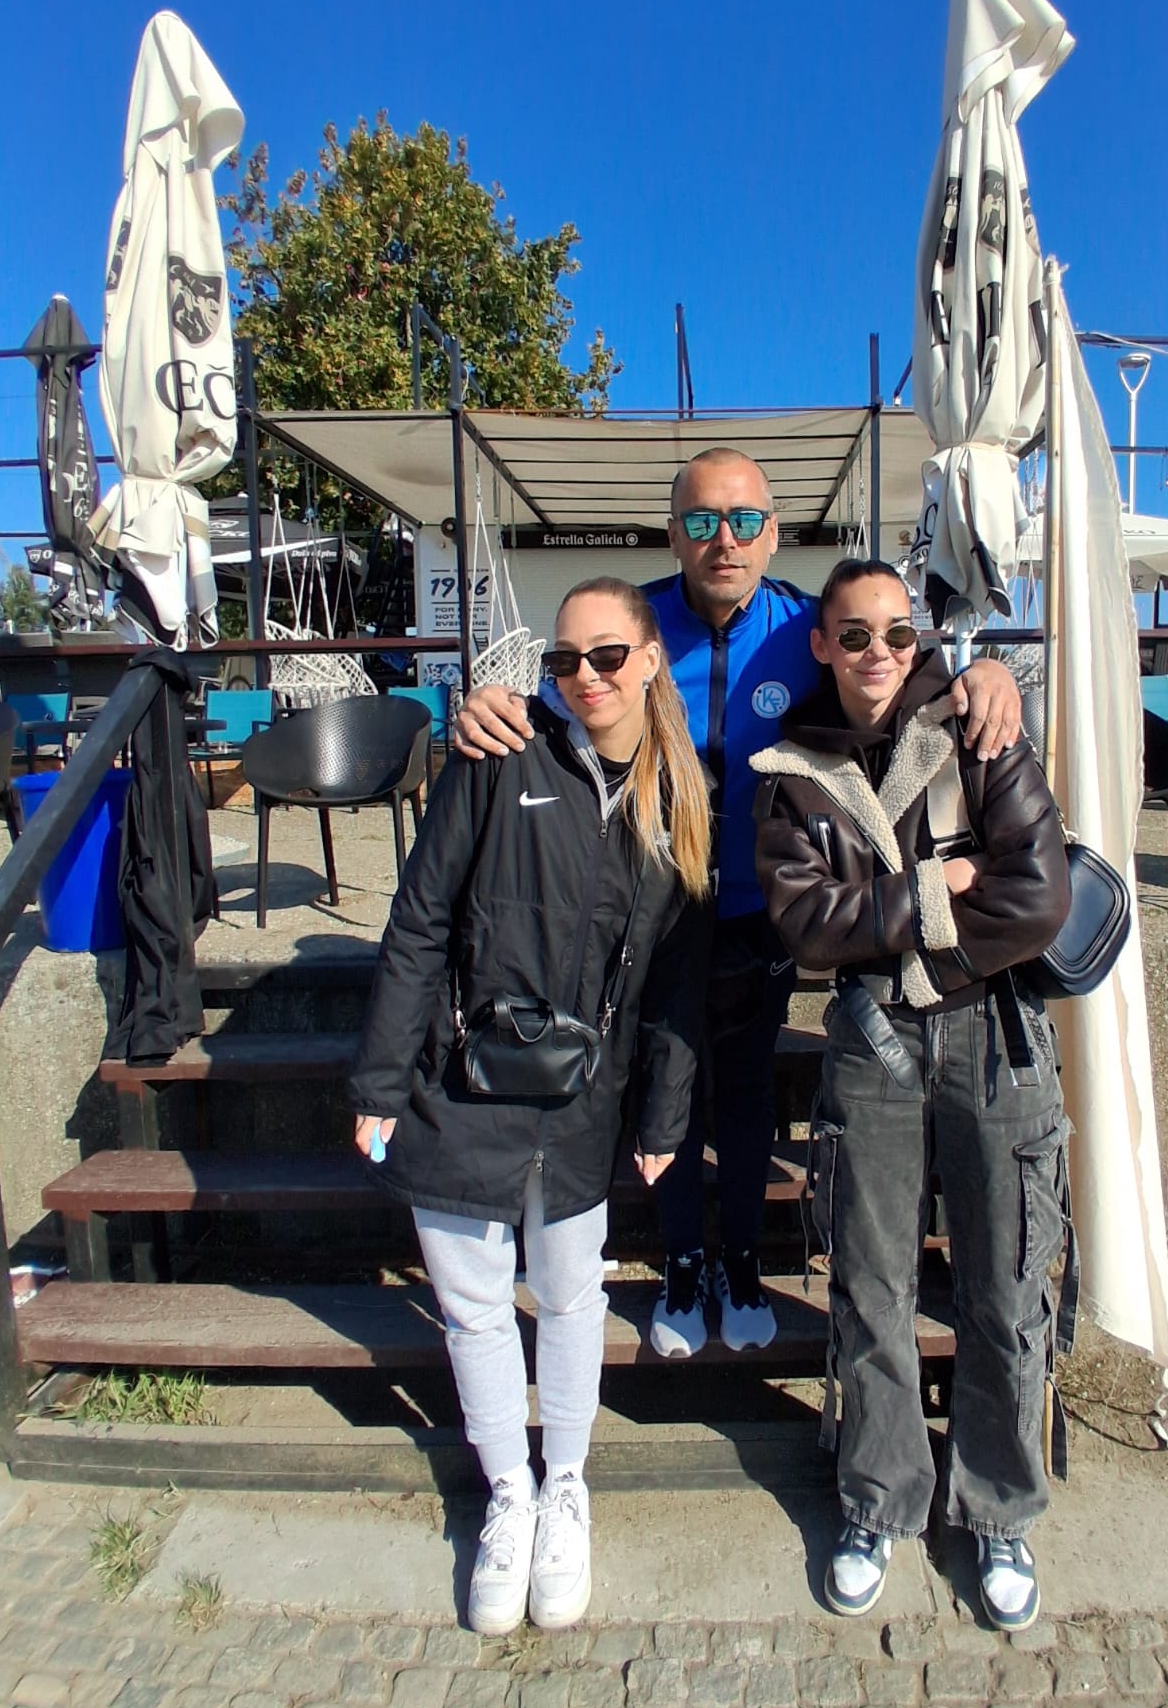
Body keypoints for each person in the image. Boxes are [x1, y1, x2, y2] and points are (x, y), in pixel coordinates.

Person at [453, 448, 1022, 1362]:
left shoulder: (807, 626)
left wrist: (985, 673)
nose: (726, 539)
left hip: (769, 905)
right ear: (674, 533)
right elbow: (566, 690)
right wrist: (488, 703)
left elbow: (897, 679)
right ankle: (684, 1260)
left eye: (746, 520)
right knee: (664, 1083)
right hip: (654, 901)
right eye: (704, 521)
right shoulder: (637, 626)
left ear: (774, 533)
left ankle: (743, 1263)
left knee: (749, 1087)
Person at [349, 578, 710, 1634]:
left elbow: (678, 978)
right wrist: (378, 1079)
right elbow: (420, 918)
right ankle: (510, 1489)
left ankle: (567, 1485)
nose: (584, 677)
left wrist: (665, 1114)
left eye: (607, 655)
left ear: (650, 659)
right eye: (564, 659)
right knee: (471, 1303)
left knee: (570, 1293)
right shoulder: (500, 752)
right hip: (465, 1080)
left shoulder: (680, 799)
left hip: (583, 1091)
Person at [751, 558, 1072, 1629]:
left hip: (994, 1035)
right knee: (871, 1284)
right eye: (855, 634)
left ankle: (999, 1509)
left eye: (898, 633)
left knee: (1005, 1285)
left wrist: (900, 935)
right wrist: (937, 889)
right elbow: (806, 925)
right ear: (823, 645)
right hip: (870, 1044)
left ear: (919, 638)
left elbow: (1037, 895)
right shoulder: (789, 769)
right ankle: (879, 1500)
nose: (879, 652)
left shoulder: (978, 724)